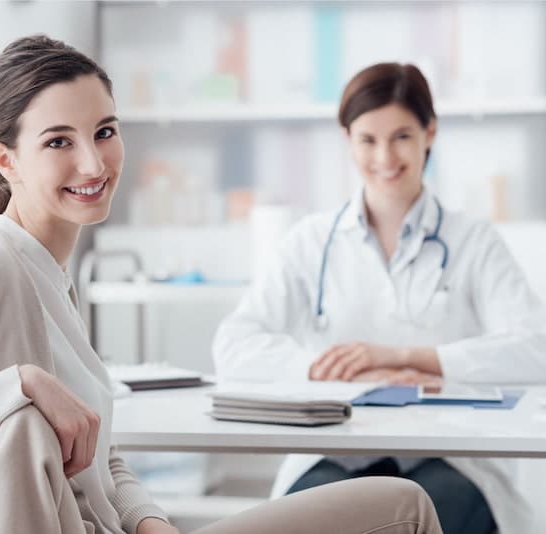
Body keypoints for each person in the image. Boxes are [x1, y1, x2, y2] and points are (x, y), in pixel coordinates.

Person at [0, 38, 442, 534]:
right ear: (4, 160)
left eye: (106, 131)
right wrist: (17, 385)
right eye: (59, 142)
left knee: (402, 501)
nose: (94, 164)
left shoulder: (48, 273)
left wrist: (150, 520)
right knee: (405, 512)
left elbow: (99, 459)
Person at [213, 62, 546, 534]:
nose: (385, 156)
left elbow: (537, 347)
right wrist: (328, 367)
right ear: (347, 139)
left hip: (448, 457)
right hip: (337, 449)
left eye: (402, 136)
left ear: (430, 133)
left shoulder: (473, 240)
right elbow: (233, 345)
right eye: (368, 139)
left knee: (427, 506)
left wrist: (412, 358)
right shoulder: (311, 241)